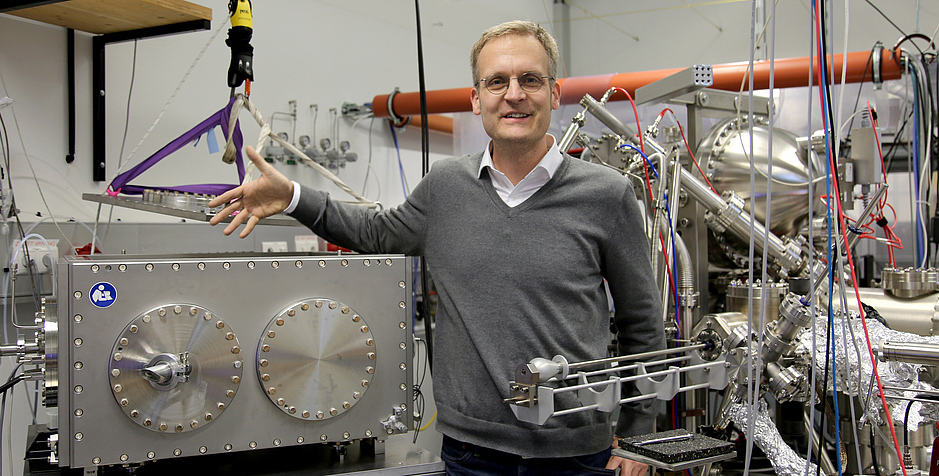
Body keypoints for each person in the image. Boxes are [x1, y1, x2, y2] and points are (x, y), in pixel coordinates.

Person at [210, 20, 664, 476]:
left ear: (554, 91)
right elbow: (375, 233)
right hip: (472, 454)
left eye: (530, 79)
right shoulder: (445, 188)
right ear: (475, 99)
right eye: (496, 82)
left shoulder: (606, 195)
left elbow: (641, 322)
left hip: (578, 453)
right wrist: (293, 197)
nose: (514, 94)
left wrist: (640, 436)